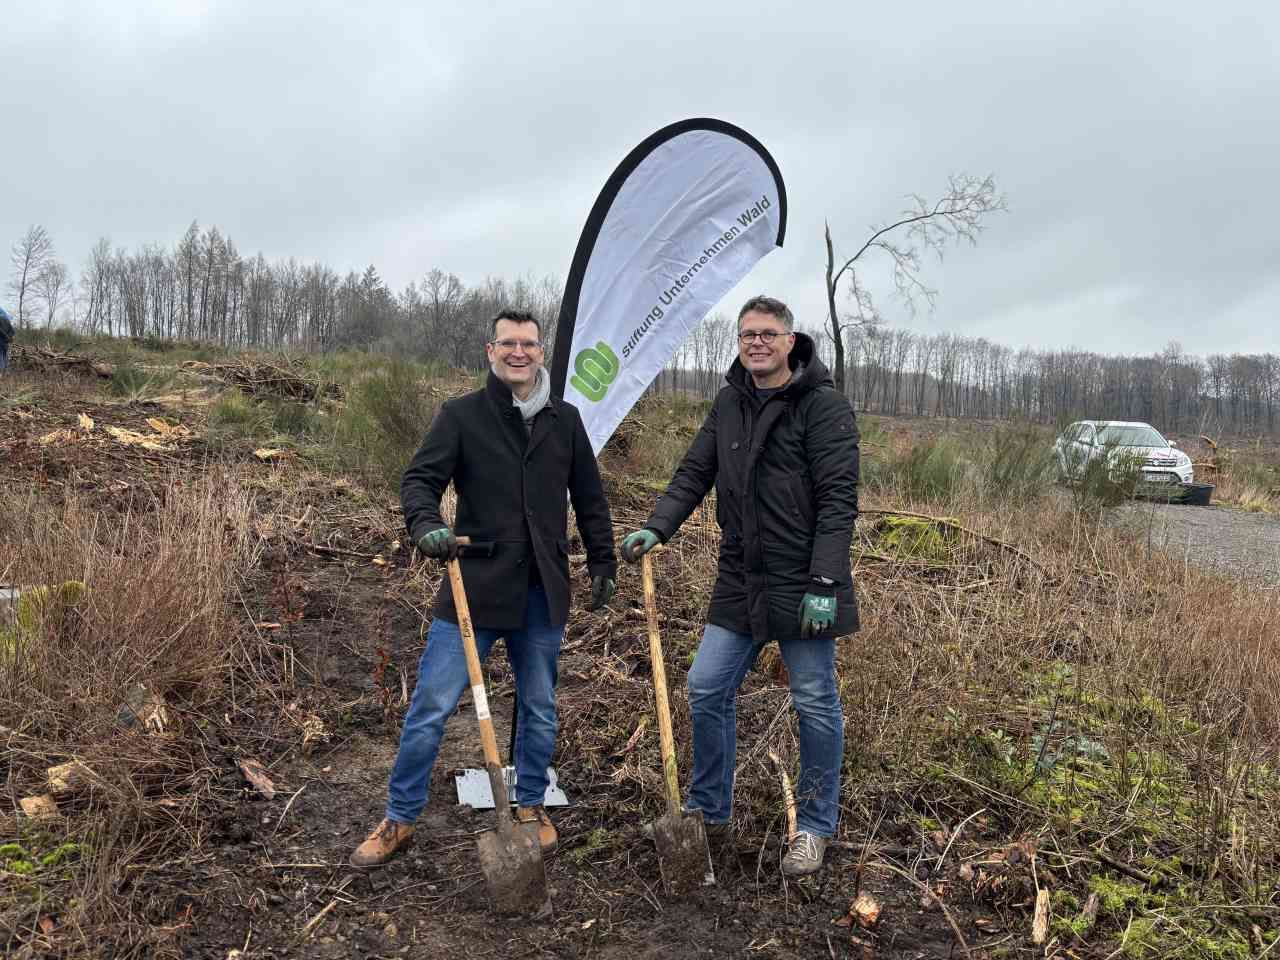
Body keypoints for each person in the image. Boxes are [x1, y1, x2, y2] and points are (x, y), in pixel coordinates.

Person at [350, 309, 617, 868]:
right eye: (507, 343)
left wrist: (601, 561)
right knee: (431, 705)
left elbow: (590, 500)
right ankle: (400, 818)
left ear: (541, 353)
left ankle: (529, 806)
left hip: (543, 589)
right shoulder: (462, 416)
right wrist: (426, 525)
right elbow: (420, 480)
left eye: (529, 344)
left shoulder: (564, 422)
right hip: (472, 586)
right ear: (490, 350)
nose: (518, 352)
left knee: (539, 706)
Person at [621, 295, 859, 877]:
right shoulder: (729, 402)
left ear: (790, 340)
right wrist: (657, 526)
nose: (757, 342)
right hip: (740, 578)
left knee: (814, 703)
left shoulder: (822, 408)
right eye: (748, 334)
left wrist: (825, 579)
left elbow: (838, 500)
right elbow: (694, 473)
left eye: (768, 333)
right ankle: (709, 810)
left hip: (805, 582)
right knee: (705, 686)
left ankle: (814, 827)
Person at [0, 306, 14, 373]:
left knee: (1, 356)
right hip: (6, 342)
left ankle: (1, 372)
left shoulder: (0, 319)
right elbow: (13, 331)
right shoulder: (7, 320)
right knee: (5, 356)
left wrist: (5, 336)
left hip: (1, 341)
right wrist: (9, 337)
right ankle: (7, 371)